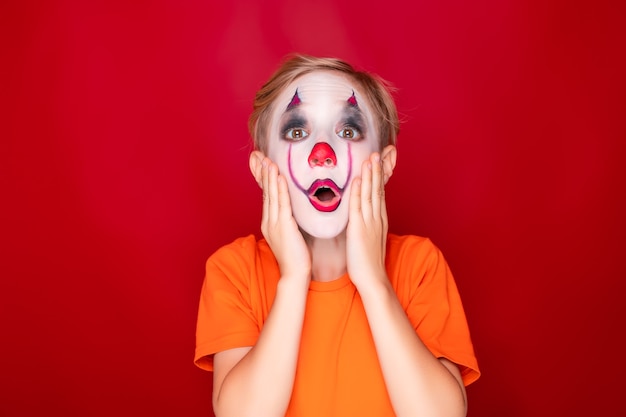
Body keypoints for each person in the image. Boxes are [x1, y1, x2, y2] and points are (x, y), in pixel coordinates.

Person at [194, 54, 480, 416]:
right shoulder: (234, 270)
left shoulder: (418, 264)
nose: (322, 155)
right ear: (262, 168)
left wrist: (374, 281)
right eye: (297, 132)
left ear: (385, 164)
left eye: (348, 131)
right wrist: (294, 277)